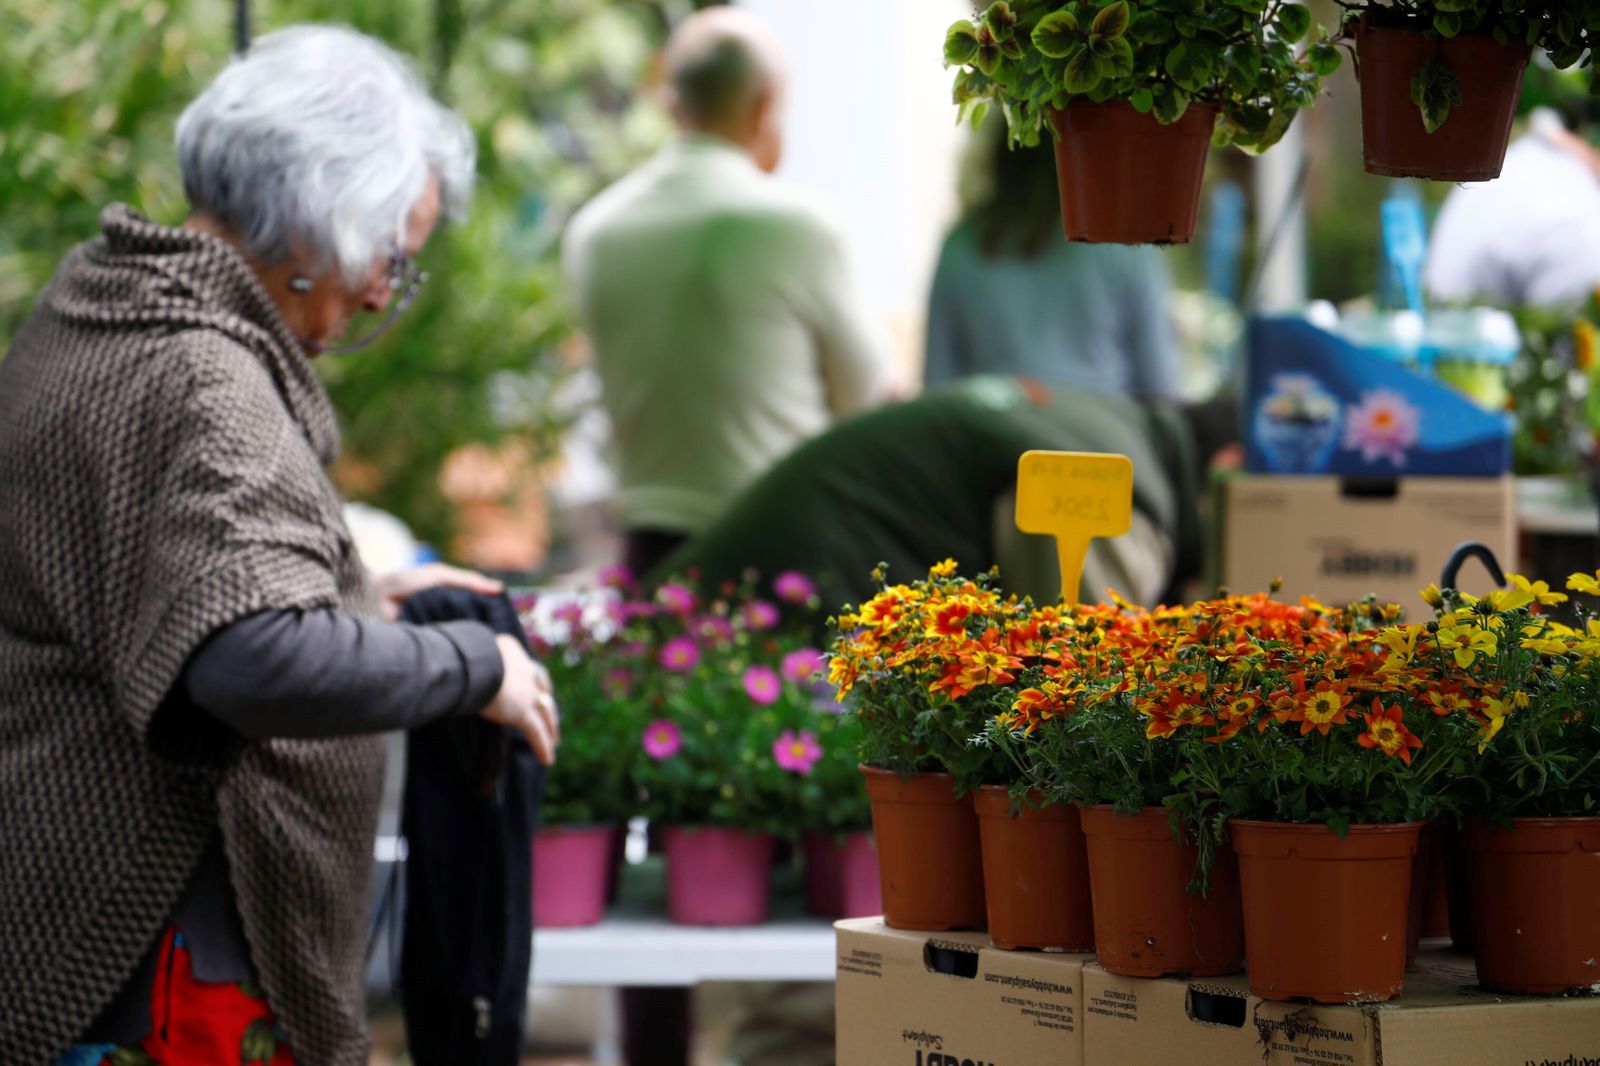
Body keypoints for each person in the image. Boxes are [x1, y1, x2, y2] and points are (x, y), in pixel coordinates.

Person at [0, 26, 559, 1066]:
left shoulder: (97, 305)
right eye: (394, 251)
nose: (389, 289)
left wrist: (357, 595)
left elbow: (137, 581)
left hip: (53, 887)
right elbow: (248, 655)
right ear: (315, 231)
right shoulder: (207, 379)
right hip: (150, 944)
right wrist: (474, 666)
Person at [562, 6, 891, 578]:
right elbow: (863, 397)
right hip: (782, 549)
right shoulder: (799, 225)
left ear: (670, 101)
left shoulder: (595, 230)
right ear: (765, 106)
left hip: (649, 554)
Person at [655, 376, 1238, 612]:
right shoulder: (1118, 497)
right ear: (1229, 468)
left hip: (728, 599)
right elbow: (1080, 692)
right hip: (754, 625)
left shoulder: (1111, 429)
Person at [924, 130, 1183, 398]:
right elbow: (1160, 384)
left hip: (994, 425)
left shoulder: (962, 244)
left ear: (1003, 157)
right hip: (1098, 427)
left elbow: (937, 383)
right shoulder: (1125, 242)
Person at [1426, 106, 1600, 308]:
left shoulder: (1527, 159)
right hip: (1463, 327)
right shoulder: (1577, 213)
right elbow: (1571, 327)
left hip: (1440, 318)